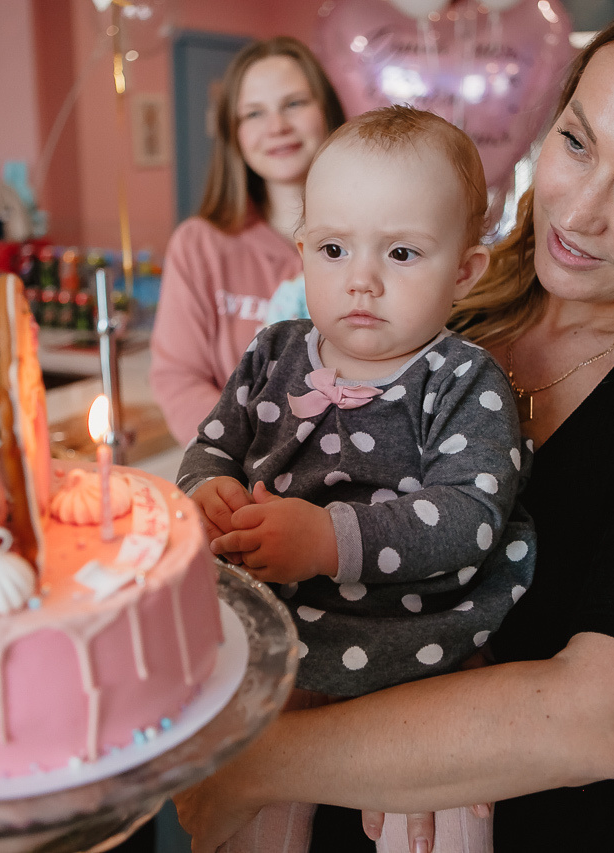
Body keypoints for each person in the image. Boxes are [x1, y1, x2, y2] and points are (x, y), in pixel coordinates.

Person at [173, 0, 614, 850]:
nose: (579, 210)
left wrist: (253, 763)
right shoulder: (452, 293)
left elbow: (601, 718)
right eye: (576, 140)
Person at [177, 106, 536, 853]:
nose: (362, 280)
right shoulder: (272, 354)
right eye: (335, 248)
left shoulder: (465, 379)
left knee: (441, 828)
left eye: (402, 253)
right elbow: (211, 447)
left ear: (465, 270)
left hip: (422, 651)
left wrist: (327, 539)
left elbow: (471, 513)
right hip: (277, 639)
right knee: (251, 818)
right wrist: (206, 493)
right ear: (301, 247)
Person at [151, 37, 346, 446]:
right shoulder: (198, 245)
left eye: (294, 103)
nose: (277, 126)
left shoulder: (376, 241)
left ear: (327, 110)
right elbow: (180, 379)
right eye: (254, 113)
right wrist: (243, 460)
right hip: (235, 480)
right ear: (233, 133)